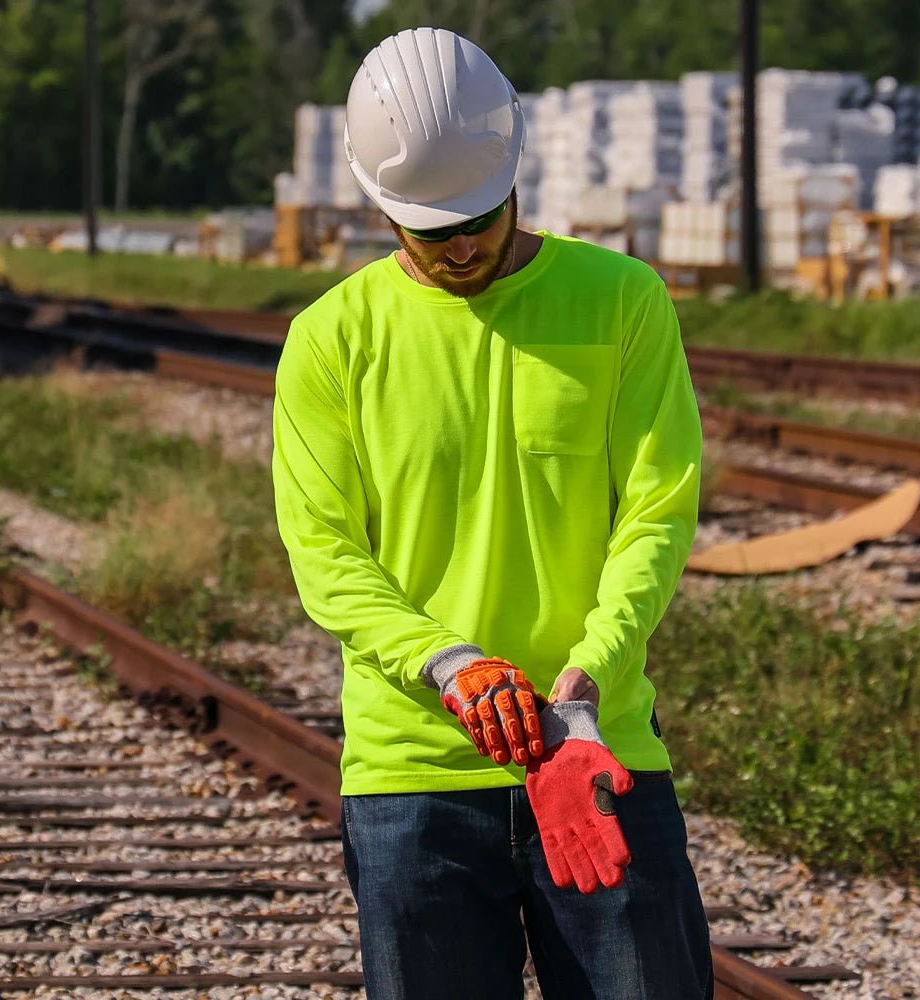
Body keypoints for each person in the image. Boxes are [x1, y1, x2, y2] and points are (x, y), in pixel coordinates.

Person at [272, 26, 713, 1000]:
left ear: (515, 168)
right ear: (378, 202)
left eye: (478, 213)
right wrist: (453, 665)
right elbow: (326, 552)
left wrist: (588, 681)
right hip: (412, 777)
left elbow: (656, 511)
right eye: (433, 229)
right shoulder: (330, 342)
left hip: (597, 751)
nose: (463, 244)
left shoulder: (622, 302)